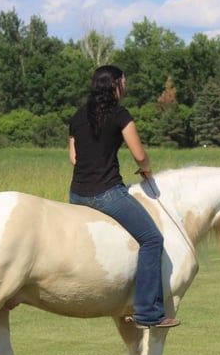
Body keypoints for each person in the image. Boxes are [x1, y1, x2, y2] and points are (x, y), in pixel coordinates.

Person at [68, 65, 180, 329]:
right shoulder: (120, 115)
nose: (125, 86)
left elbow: (74, 157)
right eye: (124, 82)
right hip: (107, 193)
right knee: (152, 239)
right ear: (116, 84)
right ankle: (148, 314)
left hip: (77, 194)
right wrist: (146, 169)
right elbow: (139, 154)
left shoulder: (78, 115)